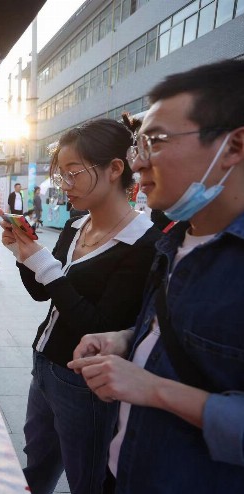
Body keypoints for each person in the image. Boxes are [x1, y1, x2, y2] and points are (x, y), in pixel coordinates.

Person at [69, 60, 244, 493]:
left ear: (234, 146)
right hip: (123, 470)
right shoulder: (174, 240)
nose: (139, 163)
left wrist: (154, 389)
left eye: (157, 142)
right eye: (139, 145)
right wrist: (129, 339)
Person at [1, 119, 161, 494]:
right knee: (37, 461)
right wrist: (25, 255)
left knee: (86, 478)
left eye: (73, 174)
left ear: (115, 169)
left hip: (84, 382)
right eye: (61, 177)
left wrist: (44, 264)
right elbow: (44, 293)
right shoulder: (76, 226)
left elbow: (99, 325)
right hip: (44, 366)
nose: (65, 186)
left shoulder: (143, 243)